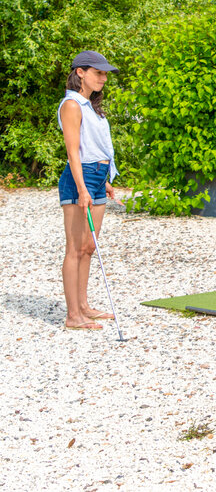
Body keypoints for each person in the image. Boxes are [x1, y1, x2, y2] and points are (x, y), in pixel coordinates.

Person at [57, 50, 120, 330]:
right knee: (74, 249)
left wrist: (103, 179)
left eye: (105, 74)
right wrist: (82, 188)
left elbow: (93, 146)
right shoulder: (71, 105)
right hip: (78, 178)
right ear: (80, 72)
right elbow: (73, 152)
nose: (103, 78)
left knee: (88, 247)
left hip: (96, 176)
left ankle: (83, 306)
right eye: (98, 73)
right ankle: (73, 316)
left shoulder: (90, 106)